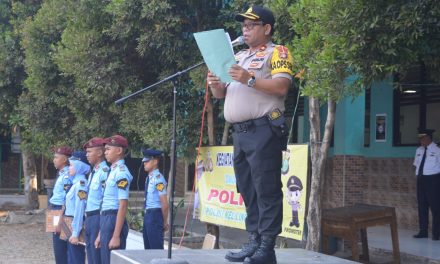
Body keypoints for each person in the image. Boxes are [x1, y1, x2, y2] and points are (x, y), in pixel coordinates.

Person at [208, 5, 294, 264]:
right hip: (241, 133)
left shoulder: (278, 52)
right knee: (247, 188)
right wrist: (215, 85)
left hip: (263, 129)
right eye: (243, 25)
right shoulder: (240, 56)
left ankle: (267, 246)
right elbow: (223, 94)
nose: (245, 29)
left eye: (251, 25)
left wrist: (249, 79)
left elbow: (281, 87)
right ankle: (254, 240)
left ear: (266, 28)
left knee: (266, 187)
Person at [95, 135, 133, 264]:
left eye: (108, 149)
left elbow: (122, 205)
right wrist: (101, 233)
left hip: (113, 219)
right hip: (106, 218)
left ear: (119, 151)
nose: (105, 152)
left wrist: (116, 236)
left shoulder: (121, 172)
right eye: (105, 149)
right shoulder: (112, 171)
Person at [83, 137, 109, 264]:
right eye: (86, 152)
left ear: (99, 153)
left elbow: (104, 199)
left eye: (89, 152)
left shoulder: (104, 172)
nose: (87, 155)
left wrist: (100, 227)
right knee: (91, 256)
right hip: (89, 217)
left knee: (96, 256)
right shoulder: (94, 172)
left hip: (97, 217)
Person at [413, 129, 440, 240]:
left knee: (436, 208)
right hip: (421, 181)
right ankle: (423, 231)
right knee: (422, 207)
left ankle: (436, 233)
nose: (420, 141)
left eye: (422, 138)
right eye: (420, 139)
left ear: (428, 138)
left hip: (433, 180)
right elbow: (416, 165)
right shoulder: (419, 150)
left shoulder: (437, 149)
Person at [64, 151, 90, 264]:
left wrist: (75, 233)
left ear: (79, 166)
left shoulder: (81, 184)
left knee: (76, 258)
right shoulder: (75, 183)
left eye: (71, 165)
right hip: (69, 222)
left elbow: (80, 209)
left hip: (75, 224)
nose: (69, 168)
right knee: (70, 257)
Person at [49, 146, 73, 264]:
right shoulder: (61, 173)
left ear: (64, 160)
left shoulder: (67, 175)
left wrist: (60, 219)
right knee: (57, 245)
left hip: (61, 211)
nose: (54, 160)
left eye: (56, 157)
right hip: (54, 209)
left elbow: (66, 200)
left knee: (63, 247)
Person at [141, 149, 169, 249]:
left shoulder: (158, 178)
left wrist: (164, 222)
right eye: (144, 161)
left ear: (155, 161)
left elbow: (164, 203)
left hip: (155, 215)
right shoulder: (149, 178)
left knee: (156, 248)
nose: (144, 163)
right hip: (148, 214)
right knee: (148, 248)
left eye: (147, 161)